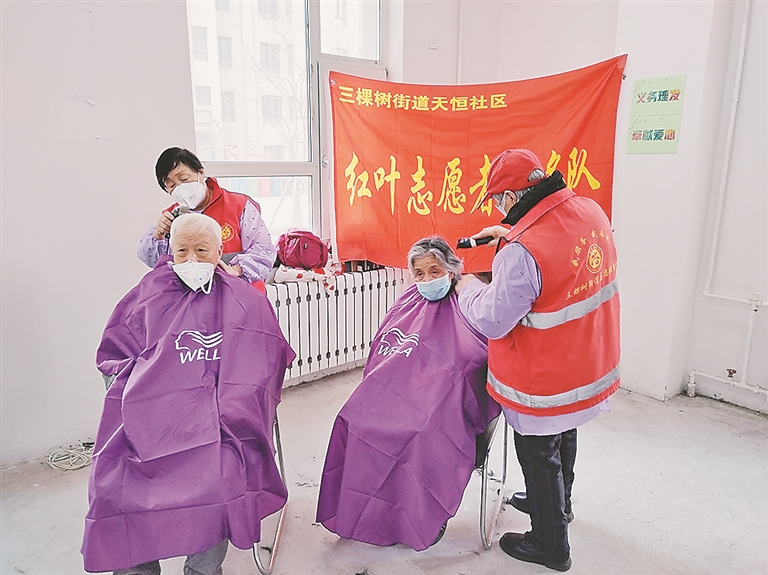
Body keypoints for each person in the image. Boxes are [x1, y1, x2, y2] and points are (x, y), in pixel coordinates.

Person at [83, 213, 295, 574]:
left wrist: (232, 409)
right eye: (182, 251)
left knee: (220, 481)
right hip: (148, 418)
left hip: (221, 423)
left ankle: (202, 570)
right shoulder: (147, 294)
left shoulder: (244, 300)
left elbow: (266, 360)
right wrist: (138, 399)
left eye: (201, 250)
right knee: (115, 485)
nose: (192, 259)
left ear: (219, 253)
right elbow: (113, 356)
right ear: (170, 251)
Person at [455, 149, 620, 572]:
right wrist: (510, 232)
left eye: (498, 200)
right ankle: (558, 504)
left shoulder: (520, 252)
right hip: (586, 359)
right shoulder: (590, 211)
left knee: (537, 449)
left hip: (544, 374)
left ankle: (550, 543)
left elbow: (493, 319)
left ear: (511, 197)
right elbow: (559, 264)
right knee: (564, 431)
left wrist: (468, 286)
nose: (498, 208)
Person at [316, 236, 501, 550]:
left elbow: (479, 354)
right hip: (395, 389)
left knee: (422, 434)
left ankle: (422, 516)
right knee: (352, 420)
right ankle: (365, 512)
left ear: (452, 269)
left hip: (441, 396)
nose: (427, 279)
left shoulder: (469, 300)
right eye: (419, 274)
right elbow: (382, 349)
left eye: (435, 271)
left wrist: (450, 371)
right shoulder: (407, 302)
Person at [137, 147, 276, 288]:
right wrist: (158, 235)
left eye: (184, 179)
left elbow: (264, 250)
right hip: (197, 299)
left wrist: (236, 269)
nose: (180, 188)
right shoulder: (171, 218)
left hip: (242, 294)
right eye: (172, 185)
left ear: (201, 173)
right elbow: (153, 260)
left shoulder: (239, 206)